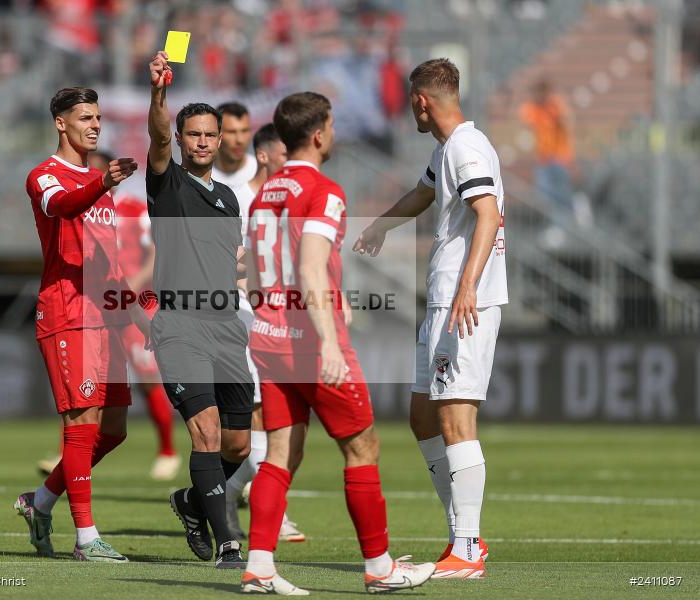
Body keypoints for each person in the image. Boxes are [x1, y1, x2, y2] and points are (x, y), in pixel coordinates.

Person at [241, 92, 435, 594]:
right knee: (362, 445)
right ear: (320, 134)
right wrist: (327, 341)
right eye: (331, 122)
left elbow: (261, 270)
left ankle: (259, 568)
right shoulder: (324, 191)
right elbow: (307, 267)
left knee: (281, 451)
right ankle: (379, 569)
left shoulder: (264, 192)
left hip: (268, 335)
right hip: (308, 340)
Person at [354, 58, 506, 579]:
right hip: (444, 298)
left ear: (422, 101)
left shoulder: (465, 146)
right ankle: (463, 535)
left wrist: (467, 286)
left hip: (464, 302)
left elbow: (489, 212)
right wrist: (380, 226)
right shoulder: (447, 148)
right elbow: (423, 193)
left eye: (410, 103)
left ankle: (466, 547)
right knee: (423, 414)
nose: (408, 111)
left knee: (455, 418)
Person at [15, 87, 146, 563]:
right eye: (85, 117)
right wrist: (102, 183)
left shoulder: (99, 182)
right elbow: (62, 206)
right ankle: (86, 538)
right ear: (60, 123)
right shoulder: (45, 176)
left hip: (105, 318)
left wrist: (138, 316)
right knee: (81, 425)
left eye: (98, 117)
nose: (94, 125)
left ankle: (42, 500)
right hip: (67, 312)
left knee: (113, 429)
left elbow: (109, 265)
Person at [146, 50, 253, 569]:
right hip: (181, 326)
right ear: (183, 140)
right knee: (206, 433)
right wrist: (160, 93)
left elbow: (227, 262)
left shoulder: (230, 199)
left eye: (211, 134)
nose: (204, 141)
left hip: (227, 326)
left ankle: (191, 501)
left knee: (236, 444)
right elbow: (159, 138)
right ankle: (228, 539)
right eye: (195, 134)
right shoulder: (168, 185)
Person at [35, 151, 181, 482]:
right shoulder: (81, 212)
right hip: (94, 307)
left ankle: (168, 451)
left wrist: (135, 283)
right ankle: (67, 453)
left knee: (147, 380)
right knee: (82, 388)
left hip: (134, 303)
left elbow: (158, 252)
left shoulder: (132, 208)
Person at [220, 124, 305, 543]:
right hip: (245, 319)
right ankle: (267, 511)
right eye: (286, 155)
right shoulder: (238, 197)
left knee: (282, 420)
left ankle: (215, 499)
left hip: (281, 318)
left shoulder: (287, 200)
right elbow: (227, 260)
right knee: (262, 415)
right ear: (268, 155)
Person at [519, 79, 576, 221]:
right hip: (543, 158)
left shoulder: (555, 106)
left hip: (559, 157)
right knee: (545, 193)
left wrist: (554, 108)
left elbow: (567, 120)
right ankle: (557, 222)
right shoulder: (534, 108)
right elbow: (526, 122)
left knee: (561, 192)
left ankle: (569, 216)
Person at [212, 102, 258, 187]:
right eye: (231, 132)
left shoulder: (261, 172)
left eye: (245, 131)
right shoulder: (199, 176)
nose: (239, 140)